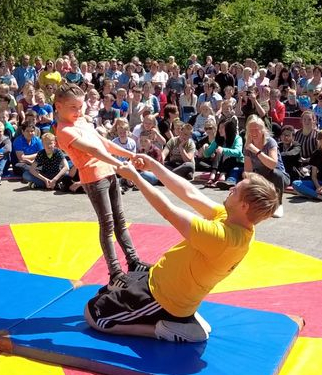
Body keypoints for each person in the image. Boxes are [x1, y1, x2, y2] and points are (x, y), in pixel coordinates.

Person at [85, 154, 279, 343]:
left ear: (244, 206)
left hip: (163, 298)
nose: (230, 190)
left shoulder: (223, 238)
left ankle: (161, 329)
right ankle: (186, 319)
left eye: (235, 191)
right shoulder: (236, 221)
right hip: (159, 278)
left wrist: (135, 177)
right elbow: (189, 192)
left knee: (94, 314)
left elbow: (168, 211)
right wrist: (153, 165)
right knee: (110, 287)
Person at [55, 83, 149, 286]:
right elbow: (92, 151)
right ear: (58, 106)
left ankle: (133, 261)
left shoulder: (80, 121)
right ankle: (115, 271)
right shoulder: (63, 131)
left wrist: (130, 155)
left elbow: (103, 143)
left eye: (80, 107)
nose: (78, 112)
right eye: (73, 107)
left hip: (109, 173)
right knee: (107, 224)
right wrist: (120, 164)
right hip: (94, 179)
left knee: (120, 221)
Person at [240, 115, 289, 217]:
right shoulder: (247, 145)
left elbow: (272, 164)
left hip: (279, 177)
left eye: (256, 130)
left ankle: (278, 205)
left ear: (262, 130)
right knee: (247, 178)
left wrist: (256, 151)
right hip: (261, 176)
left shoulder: (270, 142)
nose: (253, 133)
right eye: (251, 130)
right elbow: (248, 171)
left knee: (276, 174)